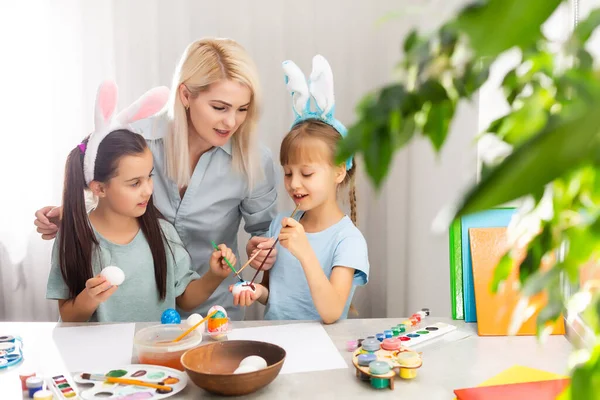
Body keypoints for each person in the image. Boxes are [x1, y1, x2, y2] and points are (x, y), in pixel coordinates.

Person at [35, 38, 278, 321]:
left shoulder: (255, 159)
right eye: (220, 107)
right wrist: (74, 212)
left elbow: (265, 232)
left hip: (213, 309)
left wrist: (262, 249)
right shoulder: (137, 140)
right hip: (131, 317)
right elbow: (103, 186)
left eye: (242, 109)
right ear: (186, 95)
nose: (231, 122)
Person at [47, 82, 236, 322]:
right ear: (99, 188)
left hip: (156, 353)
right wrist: (90, 298)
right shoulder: (73, 238)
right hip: (101, 358)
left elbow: (184, 299)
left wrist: (214, 275)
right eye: (134, 183)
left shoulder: (161, 232)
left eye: (150, 176)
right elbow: (69, 315)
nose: (148, 190)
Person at [230, 55, 369, 323]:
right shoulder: (280, 226)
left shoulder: (348, 241)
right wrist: (259, 291)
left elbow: (331, 313)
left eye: (306, 173)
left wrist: (305, 251)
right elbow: (280, 299)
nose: (294, 183)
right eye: (288, 172)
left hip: (323, 351)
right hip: (279, 346)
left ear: (339, 171)